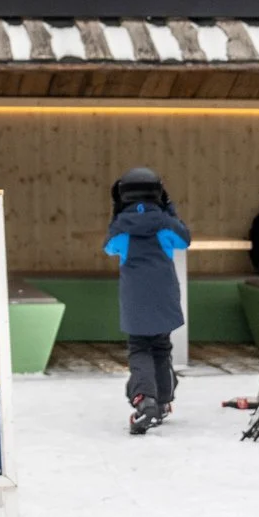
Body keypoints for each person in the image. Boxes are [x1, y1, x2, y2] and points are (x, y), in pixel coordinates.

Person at [104, 167, 191, 434]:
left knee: (140, 348)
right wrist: (169, 212)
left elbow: (109, 248)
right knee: (162, 347)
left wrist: (117, 214)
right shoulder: (165, 224)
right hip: (164, 295)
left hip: (135, 298)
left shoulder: (121, 229)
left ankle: (144, 399)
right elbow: (184, 240)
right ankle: (163, 400)